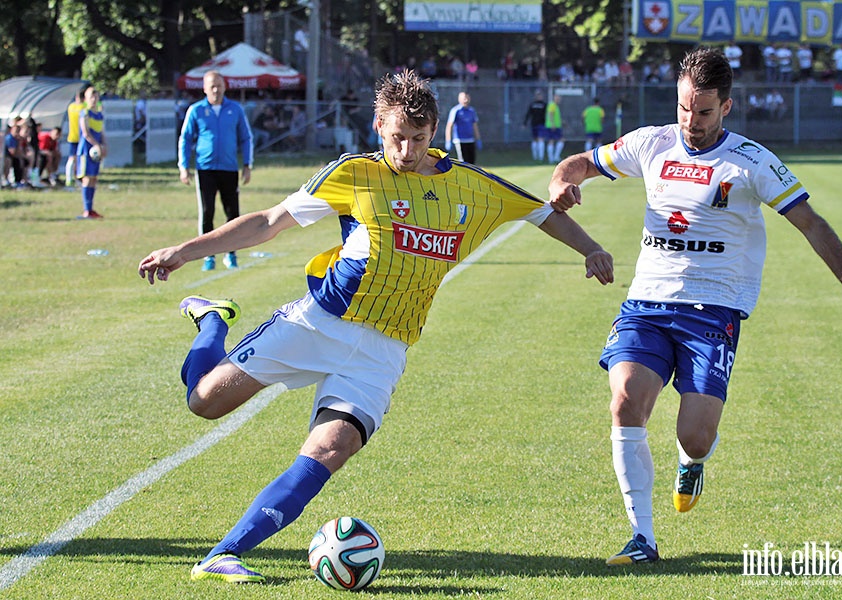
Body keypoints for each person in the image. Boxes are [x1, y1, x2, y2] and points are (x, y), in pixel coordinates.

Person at [137, 69, 614, 584]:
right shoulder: (354, 174)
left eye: (418, 138)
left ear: (435, 131)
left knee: (330, 448)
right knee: (205, 402)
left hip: (383, 351)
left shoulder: (473, 187)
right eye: (395, 138)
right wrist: (184, 251)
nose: (406, 150)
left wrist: (591, 248)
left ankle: (223, 553)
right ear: (378, 126)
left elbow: (543, 214)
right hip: (320, 322)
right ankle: (212, 320)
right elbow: (269, 221)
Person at [547, 47, 842, 566]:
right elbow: (580, 163)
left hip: (714, 311)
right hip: (646, 302)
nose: (692, 121)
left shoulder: (752, 162)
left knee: (696, 434)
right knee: (624, 402)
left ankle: (692, 461)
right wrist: (561, 184)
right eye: (685, 107)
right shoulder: (652, 143)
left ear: (726, 107)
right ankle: (643, 539)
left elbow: (811, 223)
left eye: (704, 111)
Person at [178, 70, 253, 271]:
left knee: (233, 214)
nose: (215, 89)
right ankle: (208, 257)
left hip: (229, 168)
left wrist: (247, 165)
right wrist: (183, 167)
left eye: (219, 85)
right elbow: (185, 138)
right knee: (207, 212)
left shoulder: (235, 110)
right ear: (204, 88)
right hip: (206, 169)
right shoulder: (196, 110)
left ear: (224, 87)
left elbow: (246, 138)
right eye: (211, 85)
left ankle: (231, 254)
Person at [76, 86, 105, 219]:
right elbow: (86, 133)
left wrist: (104, 146)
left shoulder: (99, 115)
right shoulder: (85, 113)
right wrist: (97, 145)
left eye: (95, 97)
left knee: (93, 178)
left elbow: (101, 132)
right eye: (91, 97)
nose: (93, 99)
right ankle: (86, 210)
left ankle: (91, 209)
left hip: (96, 152)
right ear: (86, 100)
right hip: (86, 151)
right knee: (87, 178)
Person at [444, 91, 481, 163]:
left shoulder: (471, 111)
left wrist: (478, 139)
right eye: (464, 98)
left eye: (467, 98)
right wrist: (448, 140)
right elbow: (449, 126)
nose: (466, 100)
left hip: (470, 140)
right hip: (460, 140)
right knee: (463, 163)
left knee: (472, 163)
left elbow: (475, 126)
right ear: (459, 99)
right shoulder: (455, 111)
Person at [65, 87, 85, 188]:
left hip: (72, 137)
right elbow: (98, 106)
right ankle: (76, 178)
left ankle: (69, 179)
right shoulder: (83, 108)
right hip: (80, 138)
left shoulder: (71, 106)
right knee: (79, 159)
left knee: (72, 159)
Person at [523, 90, 547, 161]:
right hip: (534, 124)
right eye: (538, 95)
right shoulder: (533, 104)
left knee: (540, 139)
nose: (539, 96)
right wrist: (525, 123)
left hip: (542, 124)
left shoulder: (544, 105)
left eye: (540, 95)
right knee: (535, 140)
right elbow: (528, 114)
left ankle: (540, 157)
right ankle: (535, 157)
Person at [545, 94, 564, 164]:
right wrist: (552, 123)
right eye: (557, 98)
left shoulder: (556, 106)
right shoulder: (552, 105)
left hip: (556, 126)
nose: (559, 99)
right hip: (552, 126)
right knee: (553, 141)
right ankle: (553, 158)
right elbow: (550, 114)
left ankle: (554, 157)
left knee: (557, 141)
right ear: (554, 98)